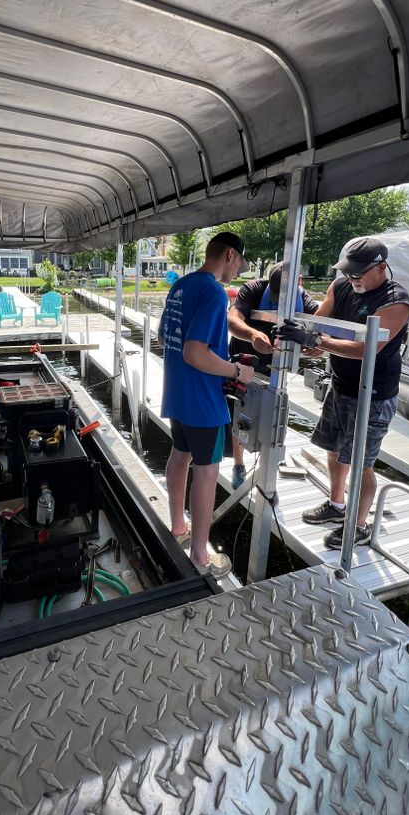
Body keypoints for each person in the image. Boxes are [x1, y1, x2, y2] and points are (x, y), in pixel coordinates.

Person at [278, 237, 409, 548]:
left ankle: (359, 524)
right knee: (332, 448)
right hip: (340, 384)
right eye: (348, 273)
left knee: (361, 461)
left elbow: (367, 348)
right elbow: (320, 324)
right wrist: (305, 338)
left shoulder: (397, 302)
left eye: (358, 274)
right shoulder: (340, 287)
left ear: (381, 268)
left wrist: (316, 342)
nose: (351, 279)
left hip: (374, 394)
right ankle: (337, 504)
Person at [158, 232, 256, 576]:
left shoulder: (180, 285)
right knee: (206, 471)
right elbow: (194, 352)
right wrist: (236, 370)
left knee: (179, 455)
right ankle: (200, 554)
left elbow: (164, 337)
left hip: (176, 393)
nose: (240, 269)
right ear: (231, 254)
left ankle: (177, 526)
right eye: (241, 262)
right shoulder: (214, 291)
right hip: (203, 403)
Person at [227, 262, 319, 488]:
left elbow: (321, 334)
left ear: (299, 283)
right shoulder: (253, 289)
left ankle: (266, 473)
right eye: (276, 295)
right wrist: (253, 334)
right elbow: (232, 319)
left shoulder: (305, 300)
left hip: (277, 367)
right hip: (245, 359)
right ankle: (238, 465)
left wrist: (314, 345)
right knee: (240, 412)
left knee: (275, 414)